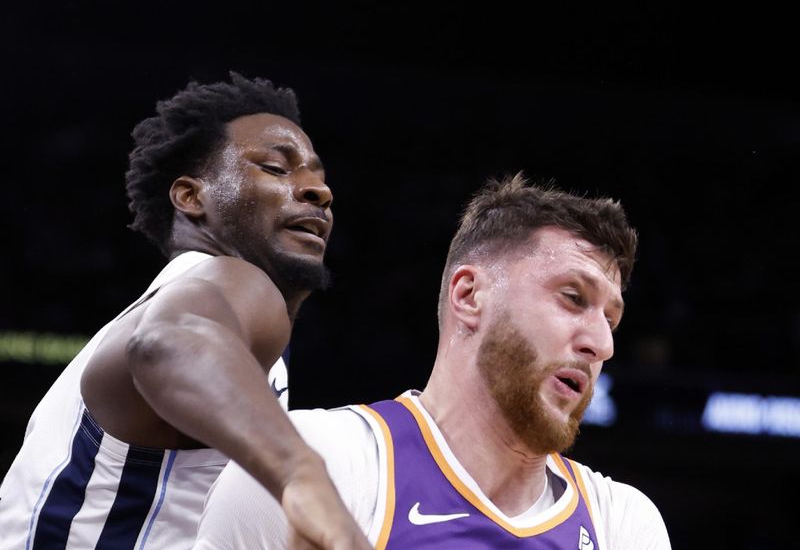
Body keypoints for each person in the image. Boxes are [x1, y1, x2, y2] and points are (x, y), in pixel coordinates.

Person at [194, 173, 672, 549]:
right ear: (469, 295)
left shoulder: (623, 524)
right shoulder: (324, 464)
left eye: (611, 319)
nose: (601, 344)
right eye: (573, 297)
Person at [0, 73, 371, 550]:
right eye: (277, 169)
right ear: (191, 197)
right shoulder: (232, 281)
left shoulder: (199, 314)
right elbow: (169, 341)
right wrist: (304, 475)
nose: (319, 191)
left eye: (319, 177)